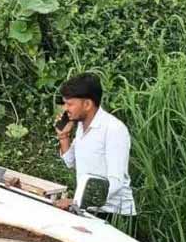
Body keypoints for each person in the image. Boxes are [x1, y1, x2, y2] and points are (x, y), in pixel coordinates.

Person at [54, 73, 136, 220]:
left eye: (70, 104)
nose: (65, 108)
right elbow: (70, 162)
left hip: (114, 214)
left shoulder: (113, 129)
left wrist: (76, 201)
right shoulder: (81, 126)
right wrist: (64, 136)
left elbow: (116, 181)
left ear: (87, 104)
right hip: (88, 208)